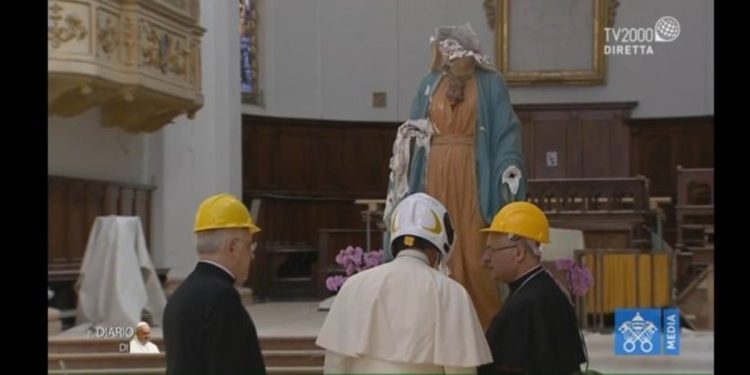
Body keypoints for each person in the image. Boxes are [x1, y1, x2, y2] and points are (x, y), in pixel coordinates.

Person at [384, 23, 526, 329]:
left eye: (451, 48)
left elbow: (505, 133)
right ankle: (435, 326)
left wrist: (509, 166)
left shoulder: (490, 83)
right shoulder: (428, 83)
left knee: (476, 253)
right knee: (432, 244)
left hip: (474, 175)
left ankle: (488, 329)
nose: (445, 55)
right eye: (442, 49)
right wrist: (405, 161)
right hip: (432, 174)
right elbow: (412, 129)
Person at [317, 193, 492, 374]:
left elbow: (335, 363)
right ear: (437, 249)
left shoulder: (354, 285)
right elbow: (460, 369)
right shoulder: (452, 293)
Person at [478, 201, 586, 375]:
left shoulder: (525, 304)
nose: (485, 259)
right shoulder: (545, 289)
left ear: (519, 253)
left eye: (492, 250)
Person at [163, 193, 266, 375]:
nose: (252, 256)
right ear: (232, 247)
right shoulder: (222, 297)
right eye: (249, 246)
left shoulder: (178, 296)